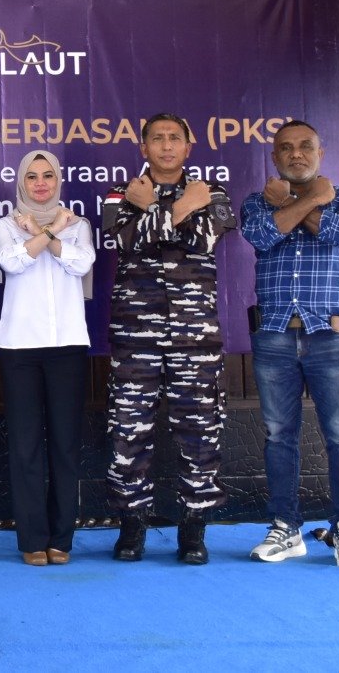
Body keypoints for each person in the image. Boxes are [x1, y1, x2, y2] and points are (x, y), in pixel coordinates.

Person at [101, 113, 234, 565]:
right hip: (134, 336)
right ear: (143, 148)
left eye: (174, 137)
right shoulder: (121, 193)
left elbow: (204, 240)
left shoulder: (212, 192)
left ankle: (193, 529)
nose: (166, 145)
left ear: (188, 145)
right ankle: (131, 525)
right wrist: (174, 207)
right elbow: (129, 242)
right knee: (129, 432)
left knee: (199, 432)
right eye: (156, 138)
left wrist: (155, 210)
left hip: (196, 337)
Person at [239, 120, 339, 568]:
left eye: (305, 146)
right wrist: (310, 199)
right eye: (286, 148)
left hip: (329, 336)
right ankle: (286, 528)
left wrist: (294, 204)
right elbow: (261, 235)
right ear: (274, 156)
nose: (296, 154)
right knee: (280, 435)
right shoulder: (257, 202)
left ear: (320, 152)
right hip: (274, 334)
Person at [0, 149, 95, 567]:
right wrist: (46, 232)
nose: (40, 184)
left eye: (47, 176)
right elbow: (12, 262)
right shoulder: (5, 225)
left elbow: (81, 264)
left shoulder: (79, 225)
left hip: (68, 346)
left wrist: (46, 235)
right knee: (26, 446)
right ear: (21, 181)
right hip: (19, 347)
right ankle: (33, 539)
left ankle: (61, 539)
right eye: (32, 176)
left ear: (58, 180)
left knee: (65, 447)